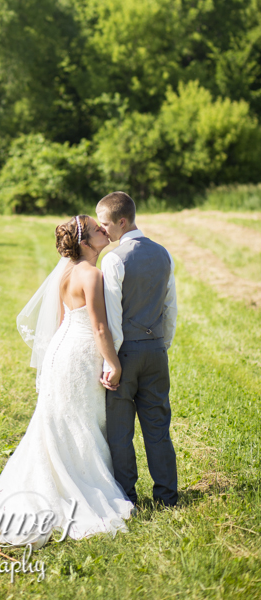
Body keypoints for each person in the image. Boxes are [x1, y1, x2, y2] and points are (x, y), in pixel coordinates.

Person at [0, 215, 134, 546]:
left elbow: (61, 319)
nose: (105, 230)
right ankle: (75, 486)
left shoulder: (67, 272)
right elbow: (100, 328)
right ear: (85, 242)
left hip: (63, 350)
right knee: (78, 420)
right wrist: (113, 364)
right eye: (97, 229)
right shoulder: (91, 274)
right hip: (79, 353)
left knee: (64, 418)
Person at [96, 191, 178, 508]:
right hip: (157, 351)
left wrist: (111, 360)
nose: (103, 230)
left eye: (105, 224)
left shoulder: (115, 259)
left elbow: (113, 316)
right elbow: (170, 307)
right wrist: (161, 343)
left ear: (122, 221)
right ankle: (167, 496)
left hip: (125, 353)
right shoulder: (164, 254)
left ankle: (126, 496)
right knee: (158, 427)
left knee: (120, 430)